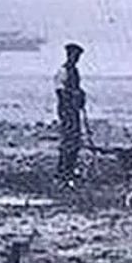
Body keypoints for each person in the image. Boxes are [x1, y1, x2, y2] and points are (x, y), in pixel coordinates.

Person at [54, 42, 87, 184]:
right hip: (66, 110)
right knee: (68, 141)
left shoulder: (75, 71)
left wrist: (81, 96)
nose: (76, 58)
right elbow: (60, 92)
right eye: (74, 56)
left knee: (75, 140)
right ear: (69, 55)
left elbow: (76, 89)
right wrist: (74, 95)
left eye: (78, 56)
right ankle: (63, 172)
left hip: (73, 110)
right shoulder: (63, 71)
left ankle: (70, 170)